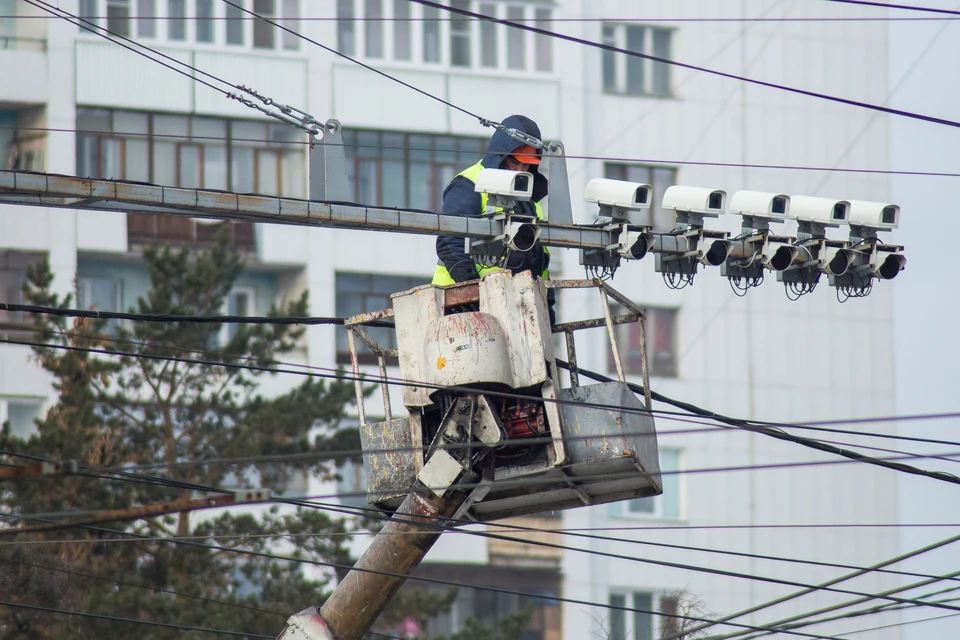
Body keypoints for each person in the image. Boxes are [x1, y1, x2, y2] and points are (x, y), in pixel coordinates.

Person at [432, 114, 556, 322]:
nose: (519, 170)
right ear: (500, 154)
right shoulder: (470, 183)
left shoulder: (528, 198)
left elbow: (539, 257)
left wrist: (546, 304)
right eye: (515, 162)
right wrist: (472, 292)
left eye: (526, 165)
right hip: (460, 307)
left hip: (516, 309)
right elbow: (450, 241)